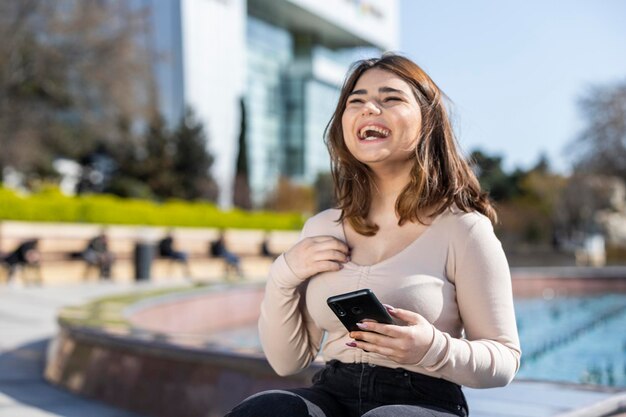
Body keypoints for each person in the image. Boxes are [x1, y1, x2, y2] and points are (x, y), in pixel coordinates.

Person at [226, 54, 521, 417]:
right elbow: (287, 362)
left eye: (390, 98)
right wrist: (283, 274)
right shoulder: (320, 228)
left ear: (427, 120)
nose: (368, 107)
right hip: (332, 392)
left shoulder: (464, 228)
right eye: (356, 100)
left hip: (424, 399)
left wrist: (432, 348)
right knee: (268, 409)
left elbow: (505, 359)